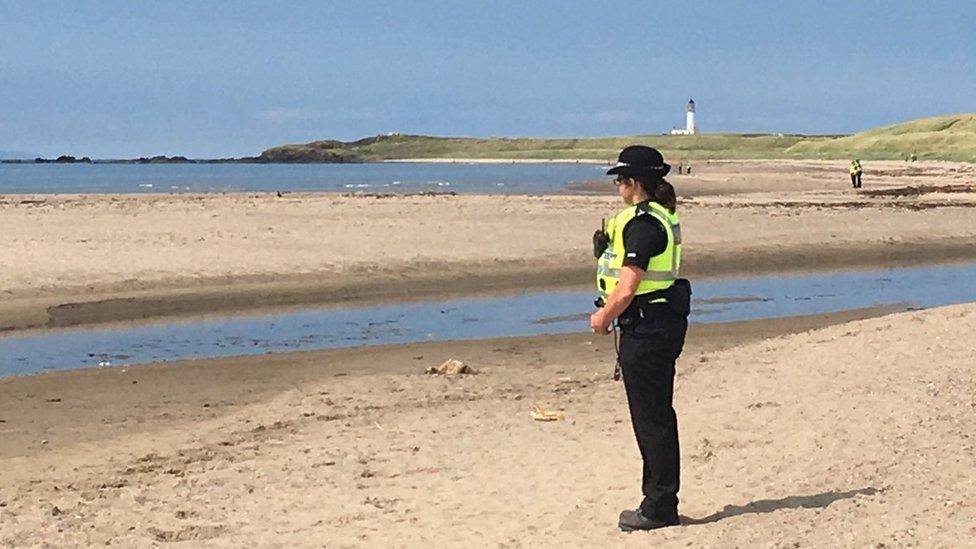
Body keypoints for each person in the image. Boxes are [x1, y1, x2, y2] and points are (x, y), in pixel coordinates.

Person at [590, 145, 690, 531]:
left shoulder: (645, 223)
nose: (617, 185)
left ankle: (660, 504)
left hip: (649, 327)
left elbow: (629, 286)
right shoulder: (651, 218)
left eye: (620, 179)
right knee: (654, 415)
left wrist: (603, 317)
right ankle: (659, 499)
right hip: (654, 324)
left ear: (634, 183)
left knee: (652, 419)